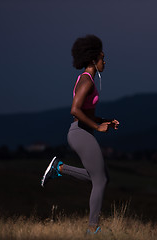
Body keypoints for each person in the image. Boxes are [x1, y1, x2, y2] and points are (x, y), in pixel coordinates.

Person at [40, 34, 119, 234]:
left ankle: (59, 168)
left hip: (82, 131)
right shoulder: (87, 81)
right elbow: (75, 110)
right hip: (79, 133)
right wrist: (97, 127)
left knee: (101, 178)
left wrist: (104, 121)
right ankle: (92, 230)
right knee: (100, 180)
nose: (105, 61)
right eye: (103, 58)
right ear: (93, 59)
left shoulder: (88, 79)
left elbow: (86, 112)